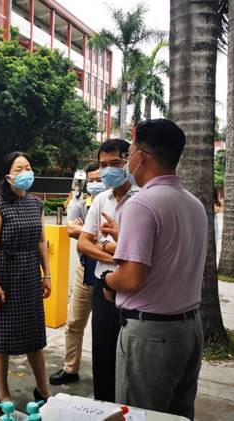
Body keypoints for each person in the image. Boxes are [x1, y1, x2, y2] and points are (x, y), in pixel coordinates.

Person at [103, 119, 206, 420]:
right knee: (178, 414)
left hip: (152, 334)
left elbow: (131, 279)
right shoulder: (194, 204)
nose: (128, 160)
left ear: (142, 156)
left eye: (130, 153)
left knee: (140, 415)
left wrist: (107, 281)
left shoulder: (142, 204)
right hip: (189, 329)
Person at [0, 151, 52, 404]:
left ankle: (43, 388)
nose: (26, 173)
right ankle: (3, 392)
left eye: (28, 168)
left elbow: (41, 241)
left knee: (35, 336)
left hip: (30, 274)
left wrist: (47, 275)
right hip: (6, 275)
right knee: (2, 338)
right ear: (8, 176)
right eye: (19, 169)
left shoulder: (36, 204)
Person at [77, 139, 137, 402]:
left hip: (133, 286)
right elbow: (83, 243)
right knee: (103, 351)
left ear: (128, 161)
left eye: (115, 163)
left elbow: (143, 252)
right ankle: (103, 404)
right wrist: (117, 255)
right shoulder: (102, 199)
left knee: (131, 355)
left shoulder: (142, 199)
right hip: (103, 284)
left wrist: (111, 246)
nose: (108, 170)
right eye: (103, 165)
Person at [50, 162, 105, 386]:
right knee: (74, 322)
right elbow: (72, 230)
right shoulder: (80, 202)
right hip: (85, 267)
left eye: (99, 179)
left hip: (110, 270)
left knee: (105, 326)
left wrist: (87, 233)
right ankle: (70, 369)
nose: (94, 184)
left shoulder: (119, 202)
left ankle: (107, 373)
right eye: (91, 180)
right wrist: (100, 236)